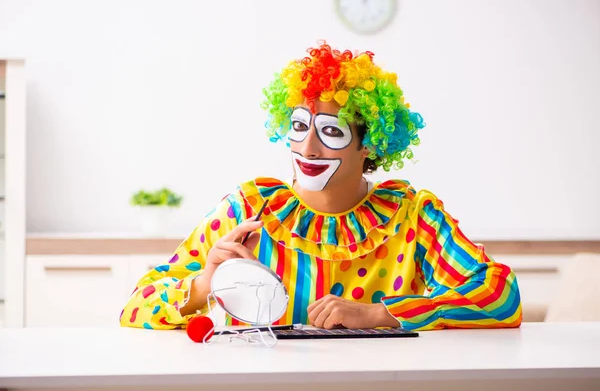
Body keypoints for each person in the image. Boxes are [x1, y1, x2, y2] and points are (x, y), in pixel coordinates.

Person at [120, 41, 522, 331]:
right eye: (298, 127)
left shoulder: (412, 217)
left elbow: (500, 296)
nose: (308, 147)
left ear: (370, 144)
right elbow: (135, 307)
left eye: (331, 132)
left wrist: (381, 314)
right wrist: (203, 285)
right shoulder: (247, 209)